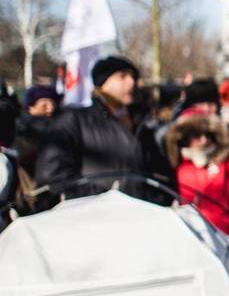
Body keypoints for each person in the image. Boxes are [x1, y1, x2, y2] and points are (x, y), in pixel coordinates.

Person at [35, 56, 171, 202]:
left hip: (140, 217)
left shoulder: (143, 124)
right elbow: (53, 177)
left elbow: (159, 175)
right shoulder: (74, 121)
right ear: (103, 83)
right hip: (92, 218)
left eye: (133, 77)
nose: (131, 82)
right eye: (122, 76)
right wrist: (105, 199)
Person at [164, 109, 229, 240]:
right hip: (196, 236)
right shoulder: (179, 168)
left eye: (208, 135)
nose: (204, 140)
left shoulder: (224, 163)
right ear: (185, 138)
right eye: (196, 135)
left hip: (226, 235)